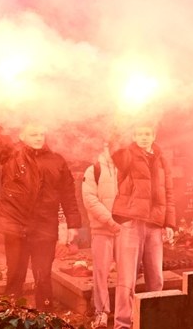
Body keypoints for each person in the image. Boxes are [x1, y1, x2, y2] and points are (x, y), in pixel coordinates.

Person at [0, 123, 81, 310]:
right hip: (15, 227)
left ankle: (45, 317)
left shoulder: (56, 160)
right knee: (15, 275)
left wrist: (73, 225)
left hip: (45, 228)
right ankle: (10, 317)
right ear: (21, 136)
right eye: (33, 134)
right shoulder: (9, 155)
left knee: (43, 275)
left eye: (41, 133)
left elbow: (68, 195)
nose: (39, 138)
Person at [111, 125, 176, 329]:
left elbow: (169, 192)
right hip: (132, 222)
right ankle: (123, 323)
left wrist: (169, 223)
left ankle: (153, 320)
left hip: (155, 225)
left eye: (148, 134)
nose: (144, 137)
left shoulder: (162, 159)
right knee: (126, 279)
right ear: (133, 136)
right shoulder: (127, 155)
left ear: (154, 136)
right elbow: (116, 154)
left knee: (156, 277)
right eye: (139, 134)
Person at [81, 141, 118, 329]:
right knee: (101, 272)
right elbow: (90, 199)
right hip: (103, 229)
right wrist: (110, 220)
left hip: (126, 230)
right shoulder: (93, 170)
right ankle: (101, 312)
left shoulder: (130, 168)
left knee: (129, 273)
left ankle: (124, 313)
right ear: (106, 146)